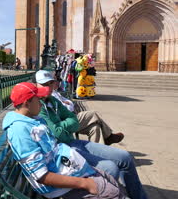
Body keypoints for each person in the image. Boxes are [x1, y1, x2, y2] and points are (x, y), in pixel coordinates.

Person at [35, 70, 148, 199]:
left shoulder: (53, 100)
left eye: (50, 83)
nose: (48, 87)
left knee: (125, 157)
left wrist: (64, 125)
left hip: (72, 141)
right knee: (111, 168)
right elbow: (58, 133)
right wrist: (67, 125)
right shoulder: (38, 105)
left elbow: (74, 121)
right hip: (64, 149)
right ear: (36, 85)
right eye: (44, 84)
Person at [3, 82, 126, 199]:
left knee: (111, 180)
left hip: (71, 168)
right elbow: (40, 175)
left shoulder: (32, 118)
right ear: (27, 103)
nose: (41, 103)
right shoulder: (20, 131)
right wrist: (85, 183)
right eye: (37, 99)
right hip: (64, 183)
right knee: (114, 191)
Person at [49, 77, 124, 145]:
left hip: (71, 116)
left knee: (95, 127)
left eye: (56, 81)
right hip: (67, 121)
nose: (57, 83)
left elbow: (70, 103)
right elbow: (66, 108)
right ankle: (109, 136)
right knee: (93, 114)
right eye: (54, 81)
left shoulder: (55, 93)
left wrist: (67, 104)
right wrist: (67, 105)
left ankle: (99, 152)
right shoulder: (50, 95)